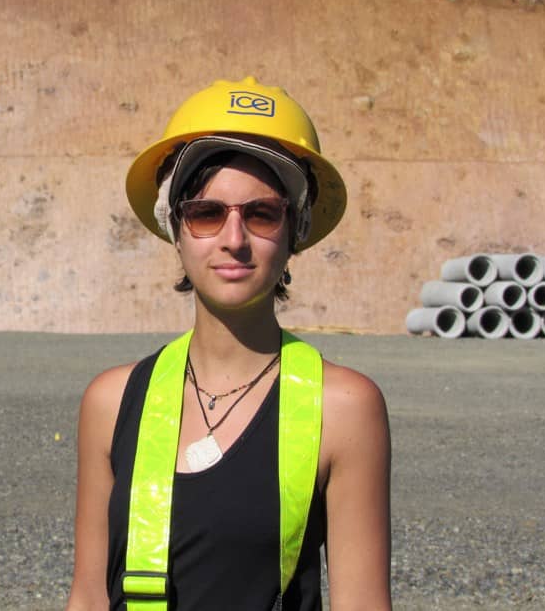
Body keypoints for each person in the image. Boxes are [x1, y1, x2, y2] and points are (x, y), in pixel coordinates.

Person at [66, 78, 391, 611]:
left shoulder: (345, 407)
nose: (234, 239)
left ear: (296, 230)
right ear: (175, 227)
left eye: (262, 214)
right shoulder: (112, 401)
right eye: (206, 212)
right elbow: (87, 598)